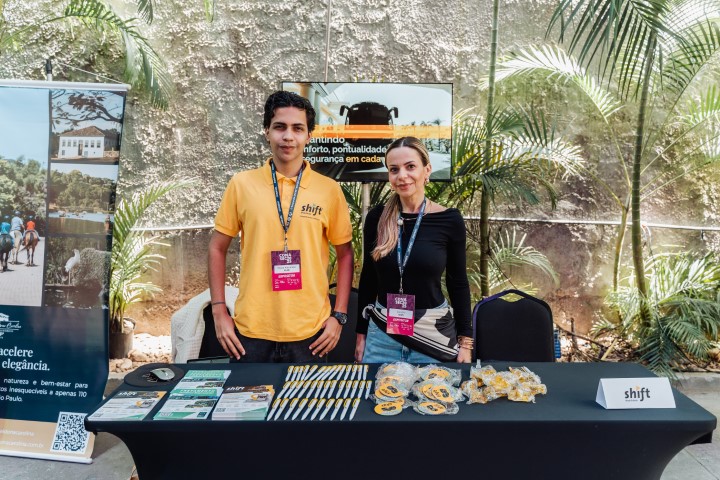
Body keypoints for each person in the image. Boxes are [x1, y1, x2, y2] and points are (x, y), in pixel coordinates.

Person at [208, 91, 354, 363]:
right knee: (249, 394)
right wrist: (219, 311)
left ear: (309, 135)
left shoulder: (329, 190)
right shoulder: (241, 185)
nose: (288, 136)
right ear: (267, 131)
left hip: (312, 334)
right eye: (279, 127)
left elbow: (346, 255)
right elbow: (217, 248)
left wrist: (339, 316)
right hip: (250, 332)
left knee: (307, 395)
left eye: (298, 128)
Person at [355, 137, 473, 364]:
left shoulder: (449, 220)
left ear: (426, 170)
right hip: (382, 337)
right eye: (394, 169)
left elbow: (458, 283)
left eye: (410, 166)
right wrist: (361, 335)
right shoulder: (377, 218)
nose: (402, 175)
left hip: (433, 336)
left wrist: (465, 343)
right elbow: (369, 278)